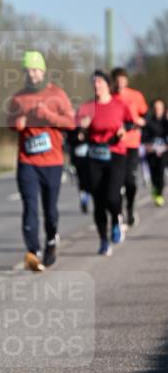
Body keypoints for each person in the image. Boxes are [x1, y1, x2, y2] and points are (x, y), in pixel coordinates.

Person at [6, 51, 76, 271]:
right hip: (27, 161)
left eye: (35, 70)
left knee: (50, 210)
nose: (32, 74)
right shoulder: (18, 98)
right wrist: (16, 123)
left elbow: (71, 123)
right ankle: (33, 252)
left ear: (43, 71)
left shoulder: (57, 94)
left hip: (52, 162)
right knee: (30, 206)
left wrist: (48, 116)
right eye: (27, 70)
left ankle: (51, 240)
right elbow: (9, 121)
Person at [76, 70, 133, 255]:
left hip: (115, 154)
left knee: (112, 197)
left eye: (100, 81)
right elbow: (77, 132)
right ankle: (103, 240)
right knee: (98, 201)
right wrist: (81, 130)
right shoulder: (87, 107)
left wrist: (123, 131)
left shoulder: (119, 105)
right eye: (93, 82)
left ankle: (116, 220)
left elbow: (129, 122)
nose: (96, 85)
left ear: (108, 84)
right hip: (94, 156)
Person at [111, 67, 148, 227]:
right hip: (115, 145)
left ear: (126, 80)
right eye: (117, 80)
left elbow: (145, 115)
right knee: (117, 183)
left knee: (130, 182)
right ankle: (118, 213)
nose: (120, 83)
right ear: (113, 81)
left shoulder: (135, 96)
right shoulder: (110, 97)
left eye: (123, 79)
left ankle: (130, 207)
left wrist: (141, 121)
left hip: (132, 143)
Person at [142, 98, 168, 207]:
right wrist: (149, 146)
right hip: (151, 152)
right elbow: (143, 138)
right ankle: (155, 189)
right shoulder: (148, 121)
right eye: (156, 108)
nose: (158, 110)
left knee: (160, 173)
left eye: (160, 108)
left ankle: (159, 194)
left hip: (164, 152)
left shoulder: (166, 122)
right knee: (153, 175)